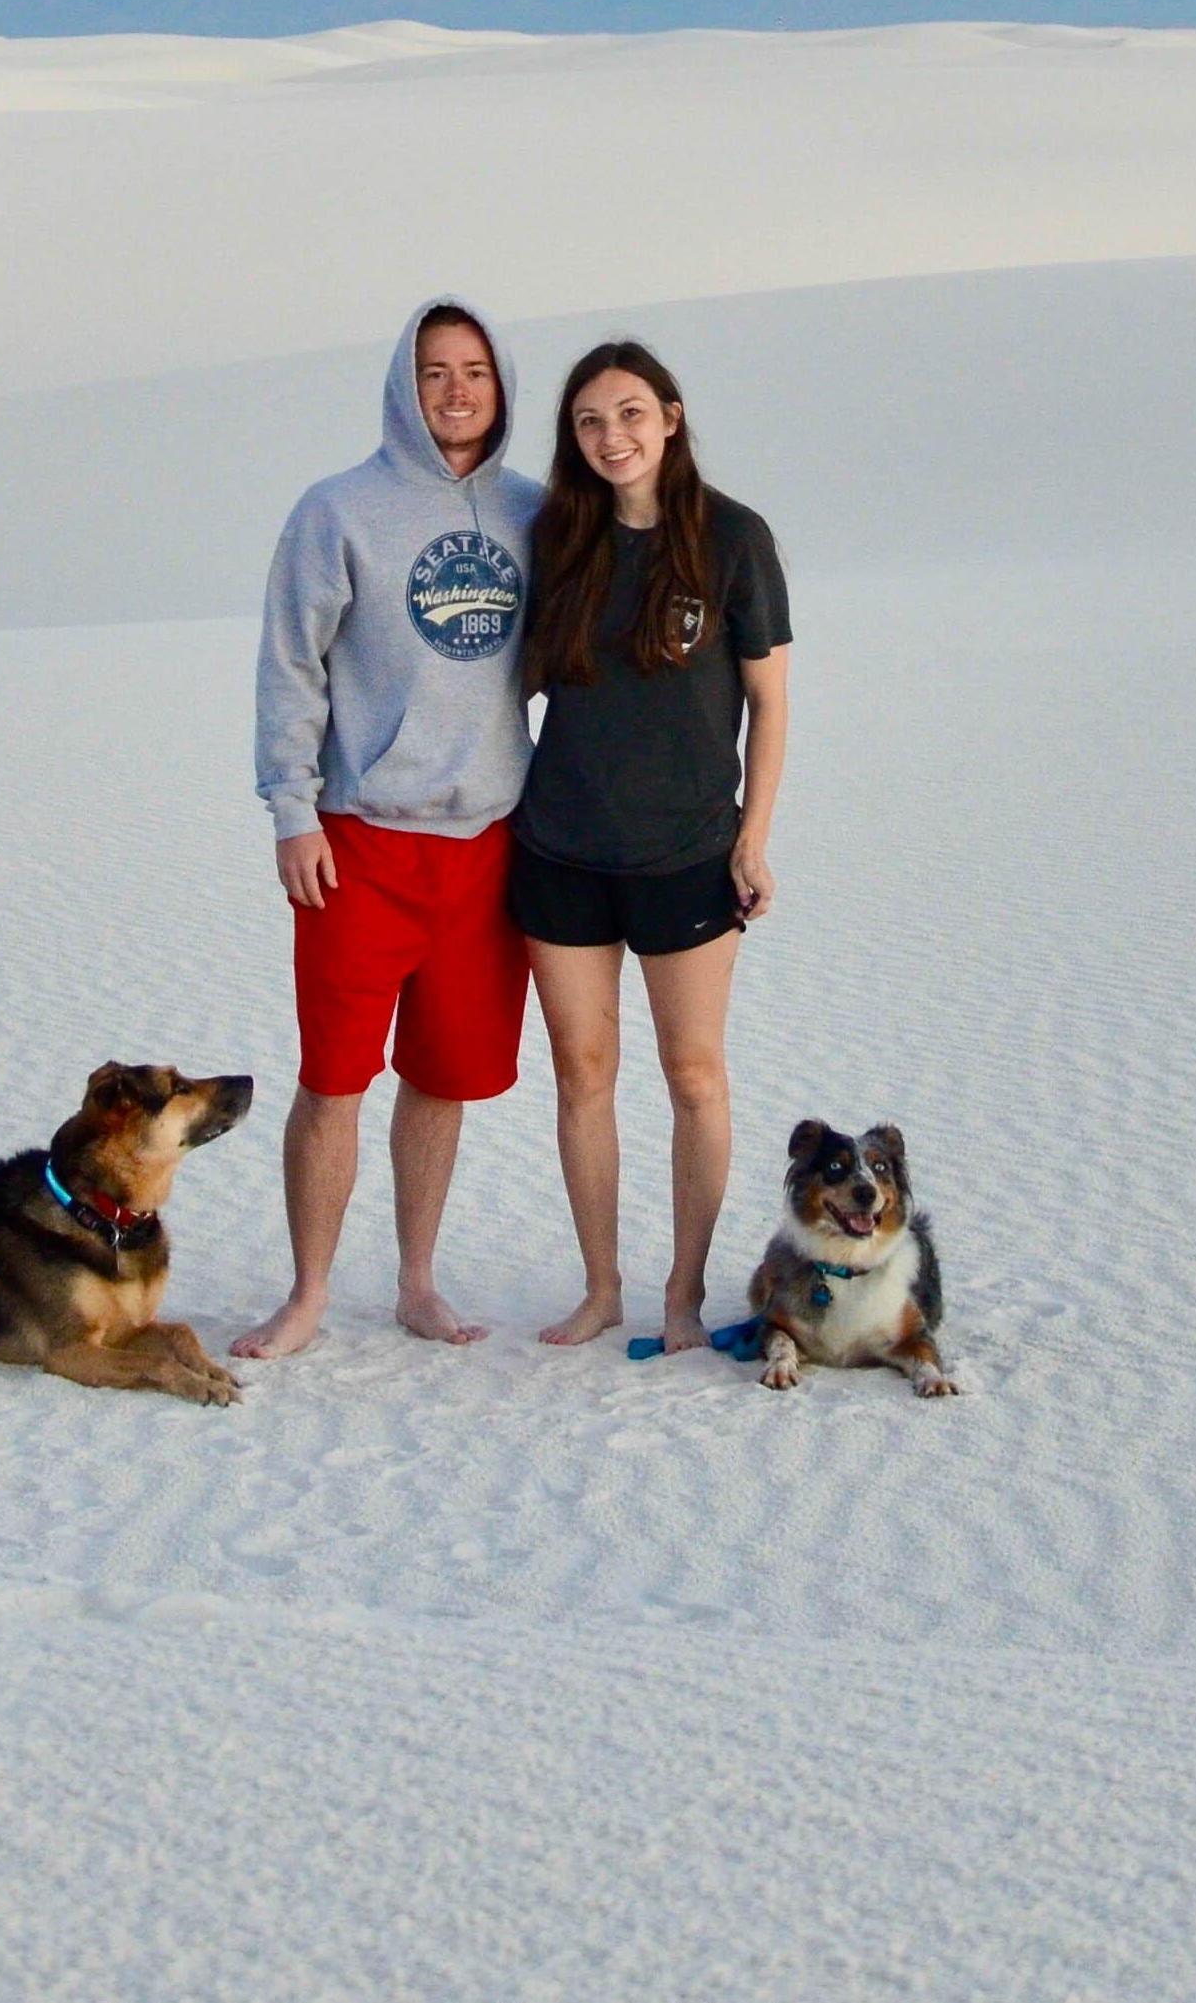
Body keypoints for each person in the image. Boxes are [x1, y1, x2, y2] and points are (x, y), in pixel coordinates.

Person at [238, 301, 541, 1358]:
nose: (455, 393)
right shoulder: (338, 511)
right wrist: (290, 808)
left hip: (489, 847)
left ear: (502, 384)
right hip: (356, 839)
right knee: (333, 1080)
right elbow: (292, 664)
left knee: (443, 1077)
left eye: (474, 372)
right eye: (433, 373)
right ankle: (310, 1292)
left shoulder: (534, 514)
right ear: (403, 388)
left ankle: (416, 1281)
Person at [514, 339, 791, 1355]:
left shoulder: (732, 538)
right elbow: (505, 685)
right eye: (590, 422)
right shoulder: (557, 540)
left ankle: (683, 1293)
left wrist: (753, 841)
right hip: (558, 851)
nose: (612, 437)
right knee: (582, 1075)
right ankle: (602, 1289)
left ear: (670, 417)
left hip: (686, 853)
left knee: (695, 1076)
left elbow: (769, 701)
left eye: (630, 413)